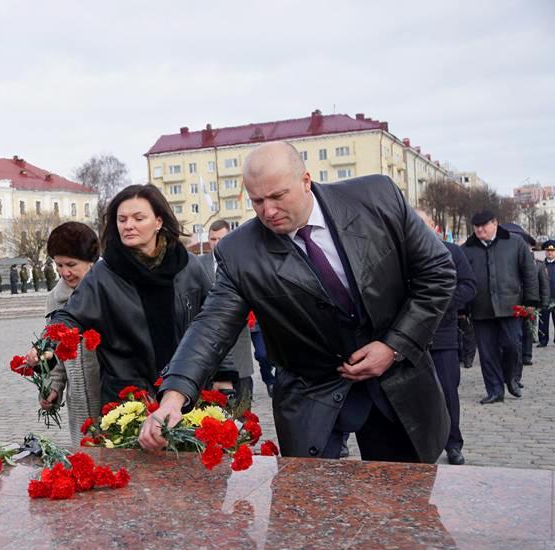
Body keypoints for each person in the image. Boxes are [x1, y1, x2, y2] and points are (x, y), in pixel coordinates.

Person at [141, 141, 455, 464]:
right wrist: (173, 398)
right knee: (307, 507)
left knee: (404, 503)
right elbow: (211, 327)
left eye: (278, 196)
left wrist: (394, 346)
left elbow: (438, 273)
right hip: (311, 395)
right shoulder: (239, 252)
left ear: (306, 181)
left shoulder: (377, 198)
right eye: (257, 201)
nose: (268, 211)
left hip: (396, 383)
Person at [49, 184, 214, 405]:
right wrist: (46, 346)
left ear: (158, 221)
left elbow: (215, 320)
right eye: (122, 219)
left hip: (186, 390)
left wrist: (226, 376)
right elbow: (70, 316)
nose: (129, 226)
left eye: (138, 218)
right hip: (127, 399)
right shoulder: (105, 273)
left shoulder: (188, 266)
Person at [418, 209, 476, 465]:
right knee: (414, 396)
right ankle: (422, 444)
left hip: (443, 336)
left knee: (447, 392)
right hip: (411, 339)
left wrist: (440, 303)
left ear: (435, 227)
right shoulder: (401, 253)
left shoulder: (452, 252)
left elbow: (469, 286)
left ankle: (453, 443)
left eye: (423, 224)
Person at [461, 210, 539, 403]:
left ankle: (511, 378)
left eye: (483, 226)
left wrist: (530, 302)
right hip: (480, 308)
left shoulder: (515, 243)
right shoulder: (467, 249)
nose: (479, 230)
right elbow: (460, 279)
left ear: (495, 223)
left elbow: (529, 273)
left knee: (512, 345)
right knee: (487, 353)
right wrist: (462, 308)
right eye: (476, 227)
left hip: (511, 305)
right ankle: (495, 389)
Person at [39, 222, 102, 442]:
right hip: (79, 408)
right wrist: (52, 387)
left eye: (71, 264)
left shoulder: (112, 292)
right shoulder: (54, 300)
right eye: (59, 265)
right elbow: (53, 353)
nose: (65, 272)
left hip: (112, 401)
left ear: (91, 262)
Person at [198, 219, 255, 411]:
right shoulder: (198, 264)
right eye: (212, 239)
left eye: (220, 238)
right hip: (208, 349)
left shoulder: (243, 263)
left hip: (239, 348)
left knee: (242, 410)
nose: (216, 243)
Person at [514, 233, 550, 373]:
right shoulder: (513, 262)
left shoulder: (539, 265)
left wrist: (544, 303)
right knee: (515, 331)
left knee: (528, 329)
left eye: (528, 247)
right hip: (515, 301)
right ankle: (516, 354)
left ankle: (527, 355)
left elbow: (544, 285)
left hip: (530, 302)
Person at [539, 240, 555, 347]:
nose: (550, 252)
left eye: (552, 250)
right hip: (544, 297)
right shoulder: (541, 265)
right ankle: (543, 340)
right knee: (543, 321)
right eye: (548, 250)